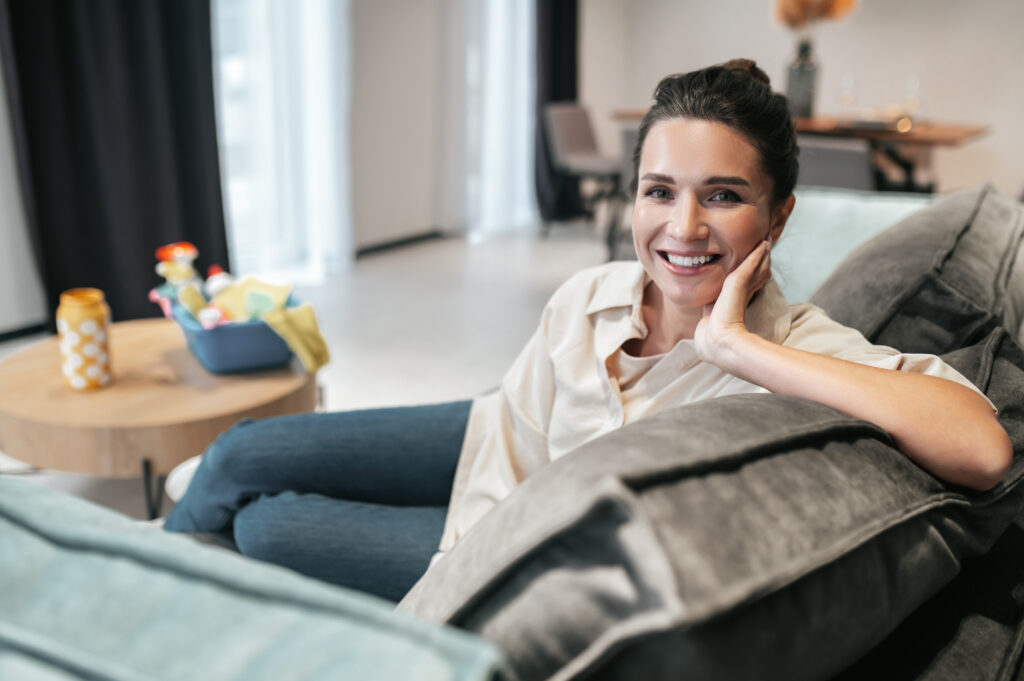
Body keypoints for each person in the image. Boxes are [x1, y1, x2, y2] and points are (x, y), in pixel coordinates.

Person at [165, 59, 1011, 603]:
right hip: (493, 440)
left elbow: (983, 448)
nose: (682, 227)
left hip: (514, 543)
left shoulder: (790, 345)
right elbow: (514, 421)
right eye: (658, 190)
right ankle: (132, 563)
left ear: (778, 215)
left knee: (268, 526)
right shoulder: (593, 291)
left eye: (722, 195)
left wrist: (736, 348)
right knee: (240, 453)